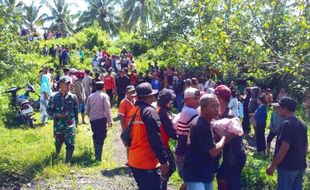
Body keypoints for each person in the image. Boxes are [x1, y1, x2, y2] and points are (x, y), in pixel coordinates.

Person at [127, 82, 169, 190]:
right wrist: (164, 161)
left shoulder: (133, 111)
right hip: (147, 162)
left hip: (134, 159)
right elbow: (155, 138)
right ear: (150, 96)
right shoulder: (150, 112)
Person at [184, 94, 227, 190]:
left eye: (217, 105)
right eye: (213, 106)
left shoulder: (205, 122)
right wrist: (224, 137)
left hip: (204, 171)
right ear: (203, 108)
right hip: (195, 173)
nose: (216, 109)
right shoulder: (201, 125)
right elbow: (213, 152)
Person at [266, 97, 308, 190]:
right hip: (300, 166)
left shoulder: (287, 124)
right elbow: (306, 145)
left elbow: (285, 147)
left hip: (287, 167)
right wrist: (301, 160)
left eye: (279, 107)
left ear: (285, 108)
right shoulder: (302, 123)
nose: (277, 110)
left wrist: (273, 165)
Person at [215, 85, 246, 190]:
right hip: (228, 156)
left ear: (219, 99)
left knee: (232, 184)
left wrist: (214, 128)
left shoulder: (229, 116)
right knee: (221, 177)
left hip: (235, 157)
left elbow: (227, 138)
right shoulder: (220, 114)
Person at [47, 76, 78, 163]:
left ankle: (67, 161)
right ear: (60, 85)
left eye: (69, 84)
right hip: (58, 125)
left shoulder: (73, 97)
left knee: (70, 143)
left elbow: (76, 111)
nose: (69, 86)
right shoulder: (54, 97)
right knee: (58, 141)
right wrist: (56, 115)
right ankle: (57, 154)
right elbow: (48, 110)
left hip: (70, 125)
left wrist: (76, 124)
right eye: (66, 84)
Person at [175, 87, 200, 190]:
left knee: (189, 182)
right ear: (187, 99)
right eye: (196, 98)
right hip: (184, 152)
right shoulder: (190, 112)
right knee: (190, 181)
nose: (198, 101)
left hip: (183, 150)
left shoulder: (188, 110)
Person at [86, 81, 113, 161]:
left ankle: (97, 154)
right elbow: (107, 109)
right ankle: (98, 157)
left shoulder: (90, 96)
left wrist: (91, 116)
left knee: (95, 135)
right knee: (101, 136)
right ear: (103, 87)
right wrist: (110, 120)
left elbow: (87, 110)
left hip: (93, 120)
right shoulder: (104, 96)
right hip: (101, 119)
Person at [157, 89, 178, 190]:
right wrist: (180, 136)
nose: (172, 102)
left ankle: (162, 184)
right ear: (166, 101)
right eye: (171, 100)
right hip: (163, 145)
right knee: (171, 166)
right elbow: (170, 131)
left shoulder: (163, 110)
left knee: (168, 167)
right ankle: (161, 184)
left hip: (163, 143)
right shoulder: (163, 113)